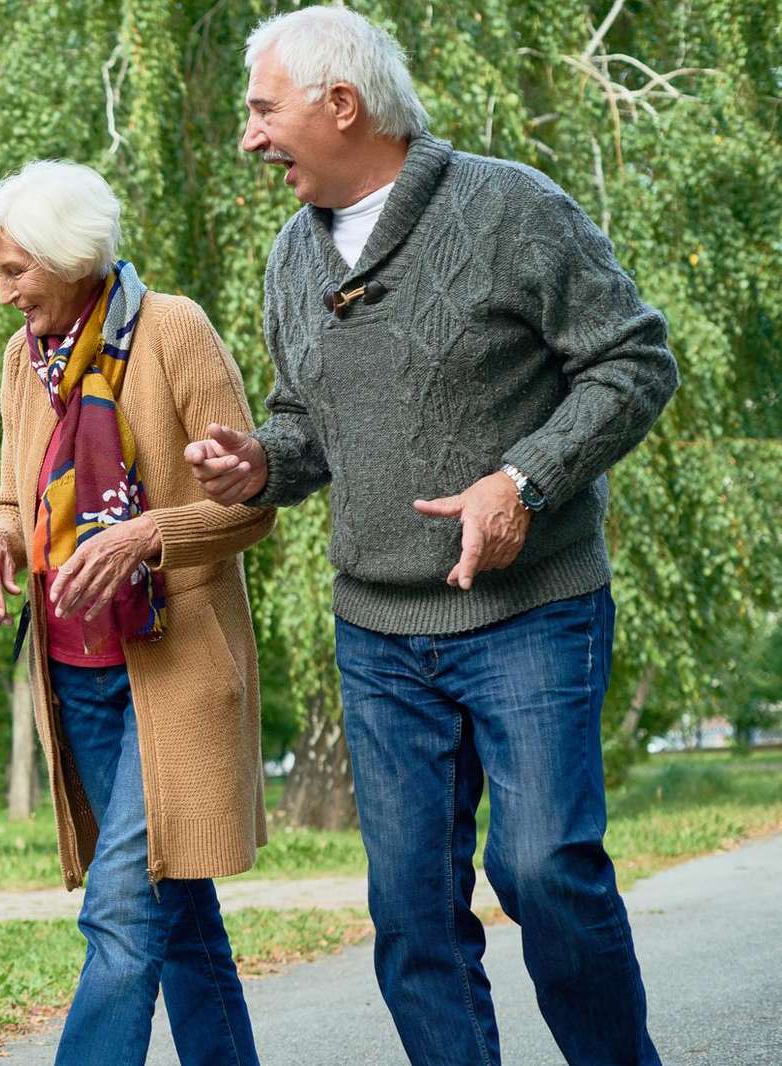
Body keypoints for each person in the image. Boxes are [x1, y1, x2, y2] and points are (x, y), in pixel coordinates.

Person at [186, 9, 678, 1064]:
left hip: (529, 612)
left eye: (262, 110)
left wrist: (521, 480)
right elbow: (304, 427)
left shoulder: (509, 208)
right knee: (410, 915)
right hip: (378, 633)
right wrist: (260, 464)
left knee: (542, 871)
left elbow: (634, 361)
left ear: (341, 106)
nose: (249, 137)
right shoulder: (289, 256)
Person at [0, 160, 274, 1065]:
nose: (5, 294)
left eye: (15, 271)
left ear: (69, 258)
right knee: (176, 917)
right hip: (77, 679)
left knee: (121, 911)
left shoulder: (172, 331)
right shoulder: (25, 359)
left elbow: (252, 501)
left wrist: (144, 536)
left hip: (171, 671)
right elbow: (16, 497)